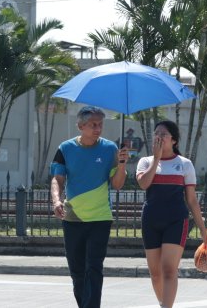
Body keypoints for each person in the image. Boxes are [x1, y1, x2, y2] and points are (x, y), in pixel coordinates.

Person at [49, 106, 129, 308]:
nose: (98, 128)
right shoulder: (65, 148)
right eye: (93, 124)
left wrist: (121, 165)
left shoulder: (110, 148)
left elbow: (117, 184)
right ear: (80, 125)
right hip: (73, 217)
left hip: (100, 218)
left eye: (100, 124)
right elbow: (57, 179)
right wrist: (56, 200)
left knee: (93, 268)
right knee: (77, 270)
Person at [135, 119, 207, 308]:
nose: (159, 137)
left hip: (176, 220)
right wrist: (157, 159)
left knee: (168, 269)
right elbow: (144, 184)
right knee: (155, 273)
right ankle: (163, 303)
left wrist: (202, 229)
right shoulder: (145, 162)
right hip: (150, 220)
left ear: (174, 140)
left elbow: (191, 200)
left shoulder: (185, 164)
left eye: (164, 134)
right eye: (156, 133)